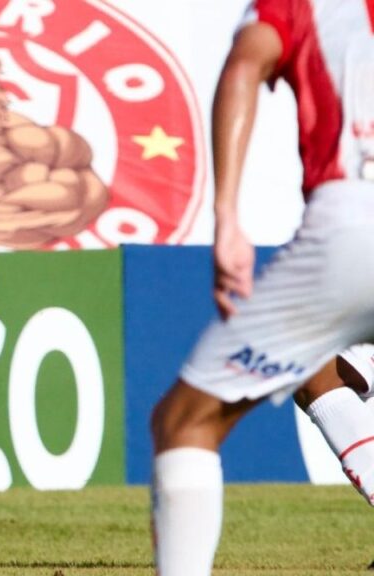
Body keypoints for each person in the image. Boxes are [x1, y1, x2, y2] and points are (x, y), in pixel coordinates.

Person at [150, 0, 374, 573]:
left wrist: (226, 216)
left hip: (353, 222)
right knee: (320, 371)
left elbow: (244, 66)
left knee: (185, 423)